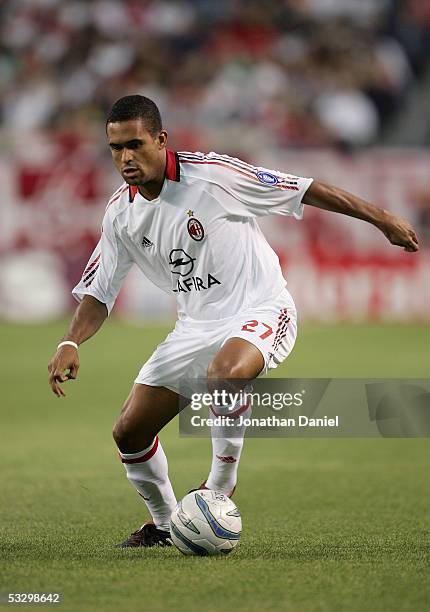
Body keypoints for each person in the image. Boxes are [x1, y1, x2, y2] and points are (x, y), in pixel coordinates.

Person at [47, 95, 419, 548]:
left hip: (260, 309)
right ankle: (166, 524)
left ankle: (219, 488)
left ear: (161, 140)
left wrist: (383, 220)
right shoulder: (120, 214)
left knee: (223, 374)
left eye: (135, 144)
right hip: (194, 327)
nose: (125, 157)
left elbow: (304, 188)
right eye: (115, 148)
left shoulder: (214, 176)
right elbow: (99, 291)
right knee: (129, 431)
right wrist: (71, 343)